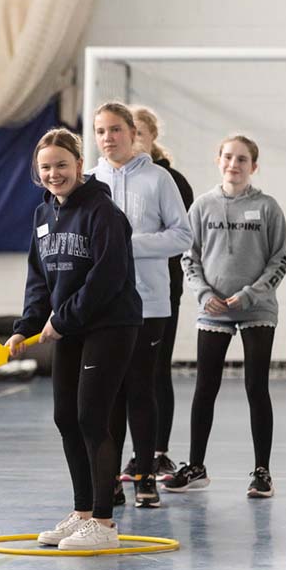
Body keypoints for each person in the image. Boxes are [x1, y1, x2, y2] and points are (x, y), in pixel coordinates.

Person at [6, 127, 141, 550]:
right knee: (65, 417)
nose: (54, 174)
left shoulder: (103, 212)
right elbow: (38, 278)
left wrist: (63, 320)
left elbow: (108, 277)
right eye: (45, 167)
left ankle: (103, 523)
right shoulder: (42, 215)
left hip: (110, 325)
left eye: (62, 165)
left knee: (91, 418)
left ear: (80, 165)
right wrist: (25, 326)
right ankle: (82, 513)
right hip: (70, 326)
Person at [164, 135, 286, 498]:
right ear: (218, 160)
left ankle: (262, 472)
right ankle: (196, 466)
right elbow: (189, 257)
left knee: (256, 387)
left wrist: (250, 294)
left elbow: (279, 260)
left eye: (242, 159)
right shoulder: (202, 206)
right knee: (205, 386)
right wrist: (205, 294)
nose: (234, 164)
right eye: (229, 157)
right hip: (213, 311)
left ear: (254, 166)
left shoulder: (267, 207)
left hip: (257, 309)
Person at [89, 102, 192, 509]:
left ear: (133, 133)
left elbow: (182, 236)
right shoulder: (90, 182)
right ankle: (109, 479)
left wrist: (128, 246)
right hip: (103, 308)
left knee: (140, 388)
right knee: (109, 394)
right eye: (100, 131)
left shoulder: (158, 179)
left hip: (149, 304)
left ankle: (145, 476)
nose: (108, 138)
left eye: (115, 129)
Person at [123, 104, 195, 483]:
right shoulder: (110, 179)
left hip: (161, 289)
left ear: (152, 136)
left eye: (139, 132)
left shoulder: (169, 180)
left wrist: (131, 246)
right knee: (125, 375)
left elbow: (181, 236)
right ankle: (133, 454)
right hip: (120, 291)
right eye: (127, 131)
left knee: (155, 369)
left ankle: (157, 453)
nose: (132, 138)